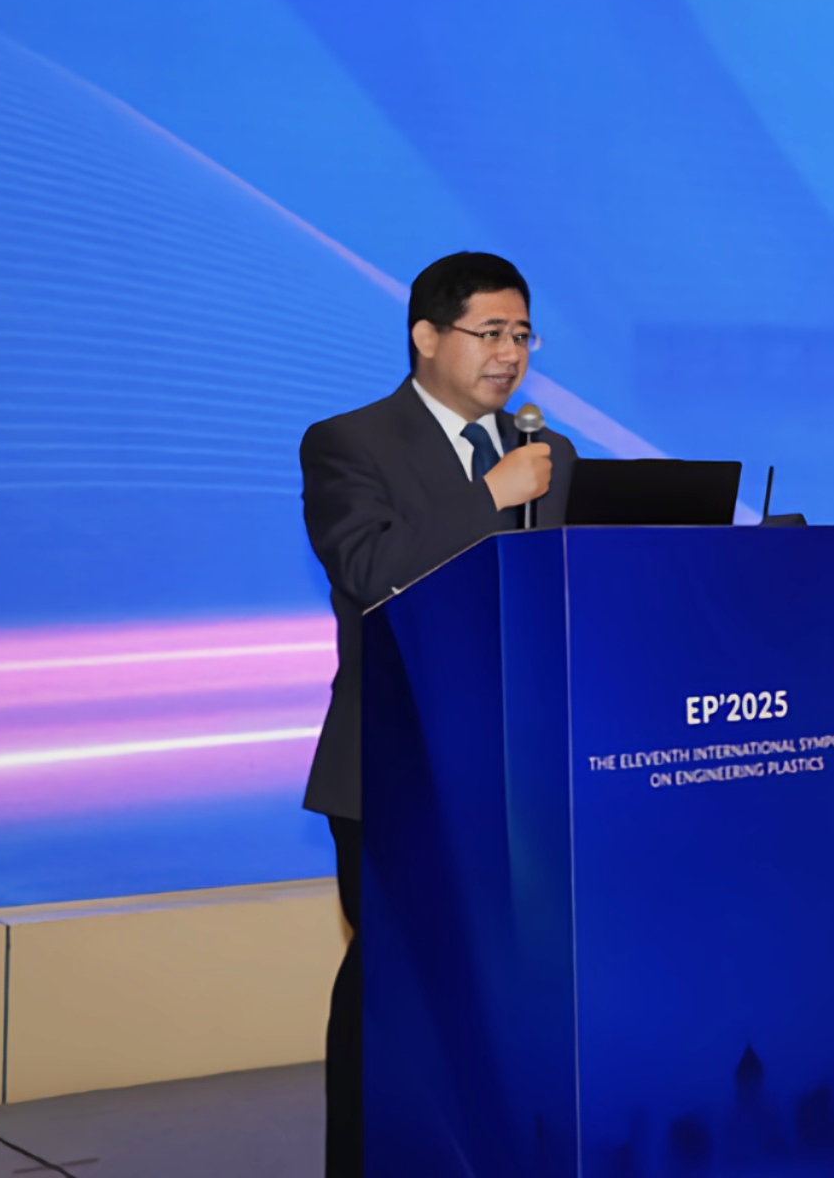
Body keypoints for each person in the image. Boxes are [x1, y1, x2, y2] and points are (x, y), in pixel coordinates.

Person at [297, 251, 575, 1177]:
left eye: (522, 335)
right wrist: (490, 497)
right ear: (425, 335)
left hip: (518, 768)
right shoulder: (349, 442)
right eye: (489, 332)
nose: (510, 354)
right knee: (394, 981)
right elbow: (370, 573)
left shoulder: (550, 455)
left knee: (505, 989)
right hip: (396, 766)